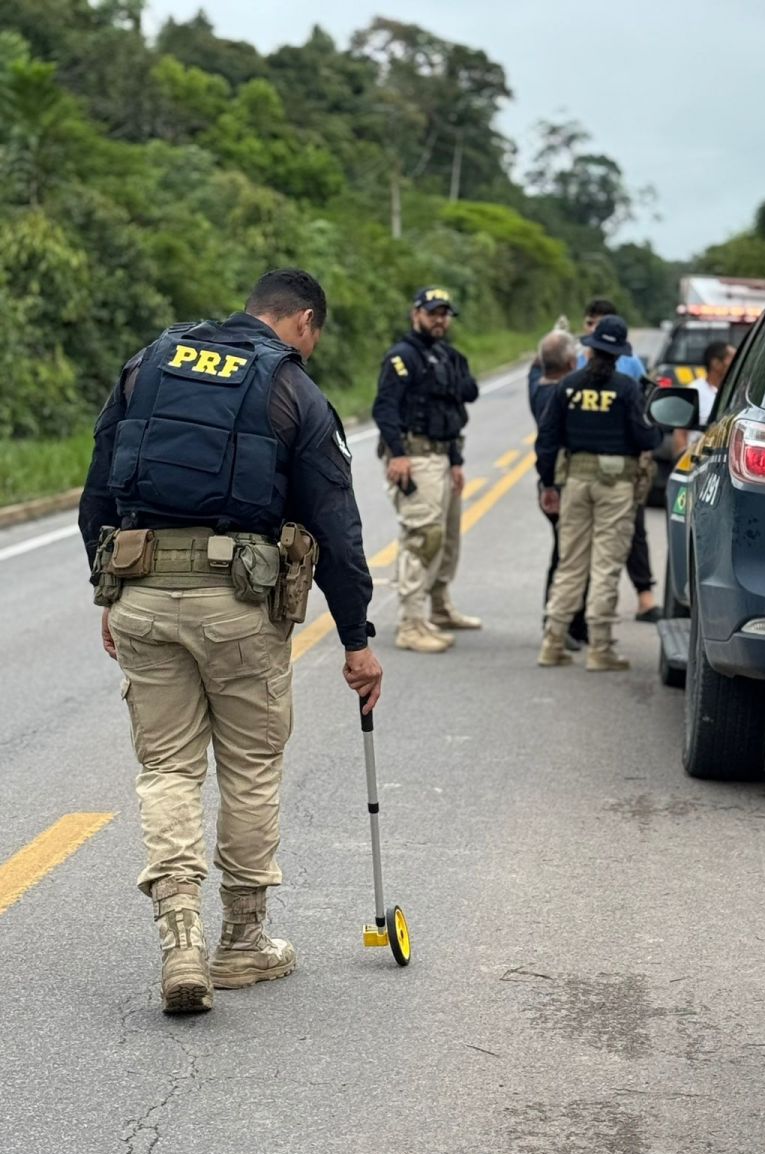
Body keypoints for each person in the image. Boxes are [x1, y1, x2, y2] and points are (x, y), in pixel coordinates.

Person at [78, 268, 382, 1015]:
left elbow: (97, 493)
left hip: (144, 594)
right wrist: (357, 640)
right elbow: (336, 526)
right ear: (303, 322)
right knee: (247, 765)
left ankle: (178, 937)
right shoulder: (292, 390)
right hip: (240, 605)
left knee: (168, 768)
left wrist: (110, 595)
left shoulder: (148, 365)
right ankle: (241, 945)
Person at [536, 315, 662, 671]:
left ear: (590, 349)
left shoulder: (568, 386)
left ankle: (552, 642)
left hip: (575, 482)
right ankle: (600, 648)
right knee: (605, 566)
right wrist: (657, 426)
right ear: (619, 352)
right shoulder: (626, 388)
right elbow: (644, 438)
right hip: (616, 486)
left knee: (570, 562)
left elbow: (546, 440)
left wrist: (549, 484)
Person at [373, 286, 481, 653]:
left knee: (448, 538)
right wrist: (399, 455)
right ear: (415, 313)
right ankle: (410, 624)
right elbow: (385, 409)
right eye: (433, 312)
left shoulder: (445, 357)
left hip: (442, 457)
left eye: (445, 313)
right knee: (423, 538)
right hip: (415, 459)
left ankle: (439, 606)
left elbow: (449, 414)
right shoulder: (402, 358)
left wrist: (456, 462)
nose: (440, 319)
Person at [580, 296, 661, 623]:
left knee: (633, 532)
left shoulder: (631, 368)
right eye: (590, 323)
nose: (595, 329)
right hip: (585, 463)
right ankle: (582, 616)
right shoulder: (575, 360)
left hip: (624, 463)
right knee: (580, 543)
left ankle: (644, 597)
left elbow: (645, 404)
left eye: (601, 323)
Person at [528, 329, 586, 647]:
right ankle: (560, 623)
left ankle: (569, 622)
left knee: (565, 551)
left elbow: (537, 366)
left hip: (550, 481)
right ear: (568, 362)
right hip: (561, 481)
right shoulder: (563, 393)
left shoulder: (537, 387)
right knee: (568, 555)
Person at [673, 340, 736, 455]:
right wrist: (681, 459)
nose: (737, 362)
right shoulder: (694, 390)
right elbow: (680, 432)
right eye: (732, 358)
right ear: (716, 363)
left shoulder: (738, 391)